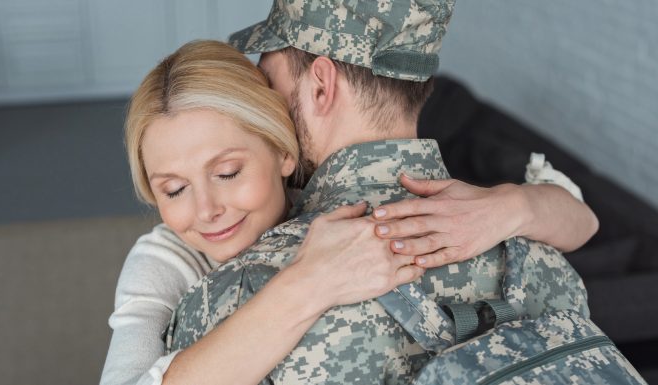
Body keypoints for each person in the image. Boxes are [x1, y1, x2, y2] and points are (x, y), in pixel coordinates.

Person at [101, 8, 597, 385]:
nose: (266, 99)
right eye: (173, 188)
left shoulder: (230, 304)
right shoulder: (538, 250)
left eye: (269, 80)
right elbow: (579, 217)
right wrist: (522, 206)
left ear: (320, 86)